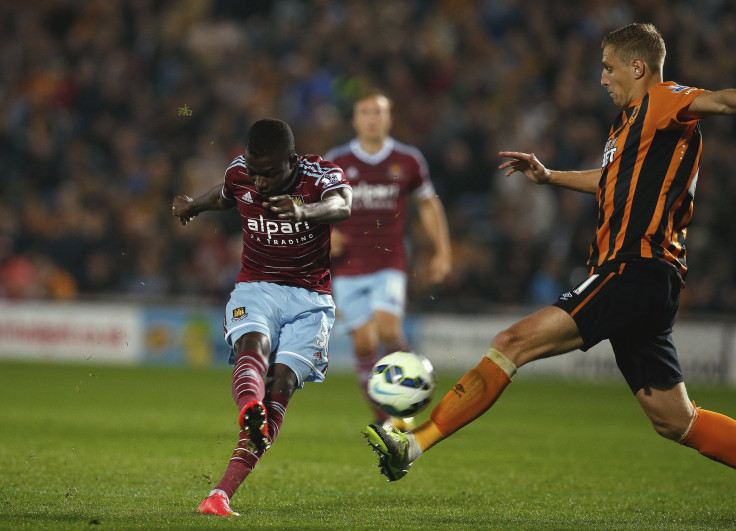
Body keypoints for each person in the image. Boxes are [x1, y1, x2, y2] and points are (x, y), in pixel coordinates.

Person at [364, 22, 736, 481]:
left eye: (608, 67)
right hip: (653, 280)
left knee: (510, 344)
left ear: (638, 67)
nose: (602, 78)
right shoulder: (631, 127)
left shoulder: (663, 100)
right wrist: (549, 176)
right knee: (676, 421)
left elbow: (722, 100)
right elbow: (612, 183)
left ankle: (413, 444)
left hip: (633, 269)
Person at [172, 118, 352, 515]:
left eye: (270, 173)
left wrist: (305, 210)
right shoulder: (242, 172)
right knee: (254, 344)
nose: (261, 182)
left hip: (311, 299)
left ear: (292, 160)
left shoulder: (320, 175)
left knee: (283, 382)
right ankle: (249, 406)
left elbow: (343, 205)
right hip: (257, 287)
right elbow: (226, 195)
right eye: (255, 172)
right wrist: (193, 206)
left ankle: (219, 495)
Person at [324, 89, 451, 429]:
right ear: (355, 120)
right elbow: (314, 209)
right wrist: (326, 234)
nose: (372, 118)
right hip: (348, 268)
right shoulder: (335, 161)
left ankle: (411, 389)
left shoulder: (408, 160)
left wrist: (442, 250)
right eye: (365, 112)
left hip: (389, 261)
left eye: (378, 112)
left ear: (389, 118)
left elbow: (428, 204)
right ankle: (387, 416)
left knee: (388, 327)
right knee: (364, 341)